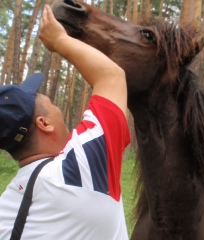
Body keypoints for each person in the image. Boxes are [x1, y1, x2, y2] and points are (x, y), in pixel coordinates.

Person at [0, 4, 130, 240]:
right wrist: (59, 40)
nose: (58, 109)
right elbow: (111, 76)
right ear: (44, 123)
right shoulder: (80, 169)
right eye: (50, 102)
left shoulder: (6, 207)